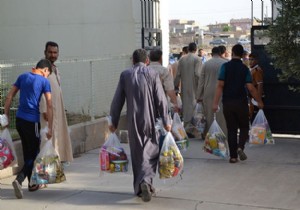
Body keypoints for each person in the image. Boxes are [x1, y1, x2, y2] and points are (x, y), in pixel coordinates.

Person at [108, 49, 171, 202]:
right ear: (147, 61)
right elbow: (161, 99)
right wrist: (166, 120)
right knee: (151, 152)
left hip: (133, 120)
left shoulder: (125, 75)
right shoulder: (153, 74)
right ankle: (146, 182)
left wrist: (113, 121)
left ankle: (140, 187)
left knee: (138, 153)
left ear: (132, 61)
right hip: (151, 119)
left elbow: (117, 100)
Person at [4, 59, 53, 199]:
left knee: (27, 152)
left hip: (19, 120)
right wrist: (50, 128)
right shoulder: (44, 81)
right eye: (47, 74)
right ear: (45, 70)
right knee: (35, 152)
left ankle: (32, 184)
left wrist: (6, 116)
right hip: (32, 122)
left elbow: (9, 96)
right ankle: (19, 180)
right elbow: (49, 105)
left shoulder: (22, 76)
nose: (46, 76)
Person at [212, 44, 264, 164]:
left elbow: (220, 85)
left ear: (233, 53)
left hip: (228, 103)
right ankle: (240, 146)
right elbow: (251, 88)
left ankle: (233, 157)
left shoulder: (225, 67)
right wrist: (259, 101)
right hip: (241, 102)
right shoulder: (245, 69)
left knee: (231, 129)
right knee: (244, 127)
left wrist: (215, 103)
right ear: (242, 55)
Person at [40, 41, 73, 163]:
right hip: (48, 109)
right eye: (50, 52)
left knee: (57, 136)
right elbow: (40, 90)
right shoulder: (43, 68)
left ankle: (55, 163)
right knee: (48, 135)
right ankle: (45, 166)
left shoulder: (55, 69)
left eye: (55, 52)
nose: (53, 55)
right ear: (45, 52)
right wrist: (44, 109)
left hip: (57, 109)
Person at [197, 47, 227, 137]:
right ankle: (222, 135)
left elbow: (201, 81)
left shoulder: (206, 64)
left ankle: (210, 136)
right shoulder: (225, 63)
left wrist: (199, 96)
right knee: (221, 115)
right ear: (220, 53)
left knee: (209, 115)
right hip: (222, 91)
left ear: (211, 54)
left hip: (208, 92)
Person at [174, 42, 202, 137]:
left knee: (186, 108)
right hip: (195, 87)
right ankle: (193, 130)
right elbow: (198, 74)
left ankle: (187, 129)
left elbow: (178, 75)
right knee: (194, 109)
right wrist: (200, 88)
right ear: (196, 49)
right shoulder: (197, 59)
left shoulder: (182, 59)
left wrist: (176, 86)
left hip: (184, 88)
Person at [148, 49, 179, 113]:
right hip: (160, 103)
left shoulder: (144, 70)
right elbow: (170, 89)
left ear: (149, 58)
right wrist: (175, 104)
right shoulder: (164, 71)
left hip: (146, 104)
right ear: (160, 58)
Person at [249, 52, 264, 122]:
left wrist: (258, 100)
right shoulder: (252, 69)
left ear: (257, 60)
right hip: (251, 97)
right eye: (249, 59)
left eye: (252, 60)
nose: (250, 61)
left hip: (255, 98)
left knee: (255, 119)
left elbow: (260, 85)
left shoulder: (257, 70)